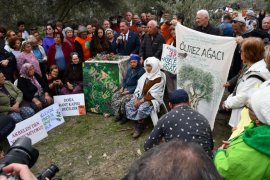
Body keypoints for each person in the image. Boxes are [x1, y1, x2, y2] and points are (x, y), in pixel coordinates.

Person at [214, 86, 270, 180]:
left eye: (248, 107)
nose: (246, 108)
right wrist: (235, 144)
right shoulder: (260, 130)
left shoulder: (252, 150)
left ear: (259, 117)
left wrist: (219, 153)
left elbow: (225, 170)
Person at [144, 89, 213, 156]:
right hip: (206, 164)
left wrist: (164, 148)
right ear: (189, 103)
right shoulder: (204, 119)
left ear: (170, 105)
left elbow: (148, 146)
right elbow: (211, 146)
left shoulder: (166, 118)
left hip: (179, 165)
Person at [223, 37, 270, 128]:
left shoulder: (257, 74)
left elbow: (243, 97)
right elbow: (240, 88)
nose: (241, 54)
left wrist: (226, 104)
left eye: (242, 51)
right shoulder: (252, 67)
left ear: (248, 53)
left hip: (244, 121)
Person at [126, 140, 222, 180]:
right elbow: (210, 145)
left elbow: (148, 144)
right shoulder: (203, 118)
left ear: (170, 105)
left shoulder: (166, 118)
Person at [125, 57, 165, 138]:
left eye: (149, 66)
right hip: (142, 96)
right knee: (129, 105)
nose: (147, 68)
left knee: (142, 108)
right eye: (146, 66)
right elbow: (138, 87)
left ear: (155, 66)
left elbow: (154, 93)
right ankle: (137, 121)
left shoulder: (159, 78)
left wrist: (141, 101)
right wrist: (136, 98)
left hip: (152, 98)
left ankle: (140, 126)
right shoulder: (145, 75)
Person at [111, 55, 145, 124]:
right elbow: (125, 79)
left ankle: (125, 117)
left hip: (134, 91)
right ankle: (118, 115)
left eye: (134, 62)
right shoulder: (129, 69)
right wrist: (122, 87)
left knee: (124, 100)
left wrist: (128, 91)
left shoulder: (141, 71)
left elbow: (139, 85)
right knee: (115, 96)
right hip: (126, 88)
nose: (132, 64)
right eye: (131, 62)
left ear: (138, 62)